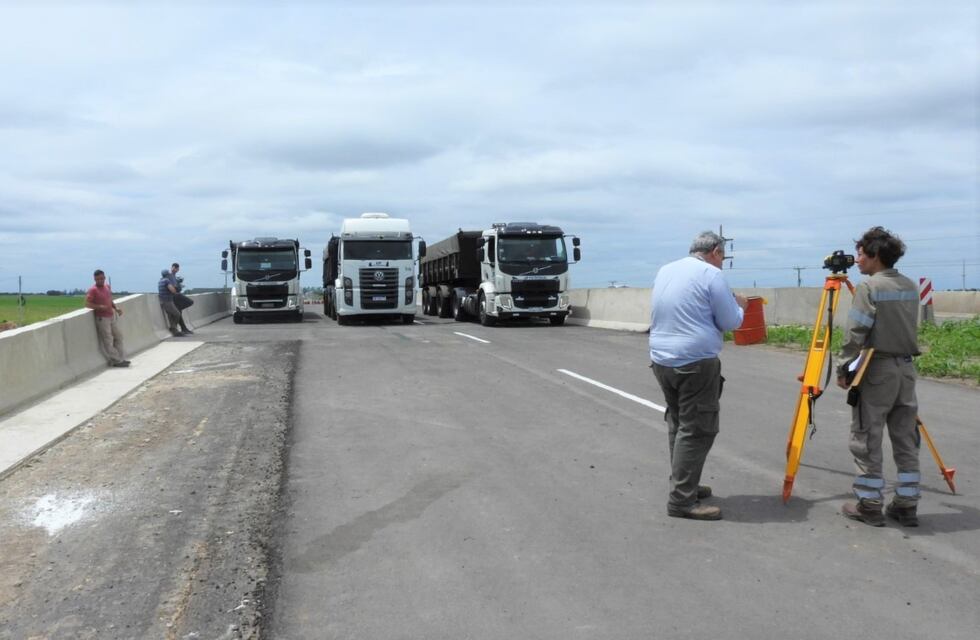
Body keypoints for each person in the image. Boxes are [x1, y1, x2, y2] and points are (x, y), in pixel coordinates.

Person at [649, 231, 748, 521]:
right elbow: (729, 322)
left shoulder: (667, 269)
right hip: (694, 362)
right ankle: (681, 500)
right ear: (716, 251)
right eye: (723, 256)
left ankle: (685, 484)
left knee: (679, 424)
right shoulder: (710, 275)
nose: (723, 262)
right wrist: (741, 306)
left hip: (662, 358)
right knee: (697, 429)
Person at [836, 227, 921, 527]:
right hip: (906, 370)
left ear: (874, 256)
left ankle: (870, 504)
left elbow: (856, 332)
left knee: (866, 437)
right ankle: (907, 504)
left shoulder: (869, 287)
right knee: (906, 438)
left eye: (860, 254)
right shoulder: (910, 285)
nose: (856, 260)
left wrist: (844, 367)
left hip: (877, 369)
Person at [85, 269, 129, 367]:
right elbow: (87, 303)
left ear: (104, 278)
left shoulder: (107, 287)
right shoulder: (93, 290)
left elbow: (109, 299)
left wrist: (116, 308)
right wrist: (99, 307)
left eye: (101, 279)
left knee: (118, 336)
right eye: (97, 279)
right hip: (102, 318)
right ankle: (116, 360)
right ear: (94, 279)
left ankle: (121, 358)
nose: (99, 281)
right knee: (108, 339)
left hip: (111, 315)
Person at [158, 268, 184, 336]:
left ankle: (175, 331)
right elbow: (173, 290)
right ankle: (173, 328)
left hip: (163, 301)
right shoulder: (167, 280)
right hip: (168, 301)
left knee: (170, 316)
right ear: (167, 275)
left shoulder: (160, 281)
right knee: (177, 314)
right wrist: (176, 289)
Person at [169, 262, 193, 334]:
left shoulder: (173, 276)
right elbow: (173, 287)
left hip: (175, 296)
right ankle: (183, 328)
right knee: (190, 302)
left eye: (176, 268)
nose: (175, 269)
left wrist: (178, 282)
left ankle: (184, 328)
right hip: (175, 296)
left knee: (179, 311)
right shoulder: (170, 276)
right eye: (174, 268)